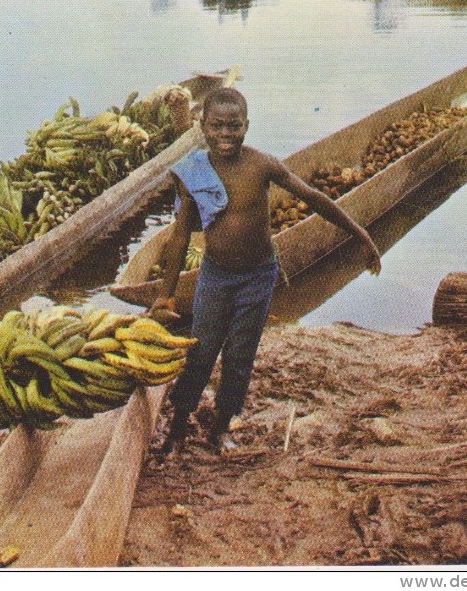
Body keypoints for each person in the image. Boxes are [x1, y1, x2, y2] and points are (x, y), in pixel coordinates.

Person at [148, 88, 382, 456]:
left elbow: (314, 198)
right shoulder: (193, 172)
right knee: (201, 350)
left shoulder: (262, 165)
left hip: (257, 276)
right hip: (215, 275)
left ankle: (221, 428)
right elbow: (180, 236)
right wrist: (166, 293)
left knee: (240, 355)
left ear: (247, 126)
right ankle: (177, 428)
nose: (225, 134)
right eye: (216, 126)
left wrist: (361, 235)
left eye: (234, 126)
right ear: (202, 127)